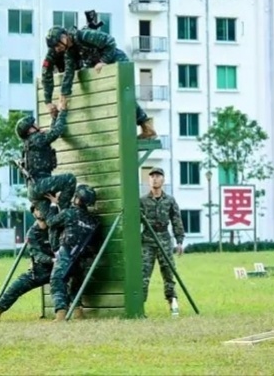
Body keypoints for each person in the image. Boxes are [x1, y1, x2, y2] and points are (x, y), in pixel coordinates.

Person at [43, 25, 157, 140]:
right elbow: (69, 72)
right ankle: (142, 127)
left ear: (64, 38)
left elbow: (110, 41)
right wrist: (64, 95)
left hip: (116, 61)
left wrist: (104, 60)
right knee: (115, 97)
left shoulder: (83, 36)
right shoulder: (70, 51)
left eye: (57, 45)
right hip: (102, 69)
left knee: (124, 95)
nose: (57, 49)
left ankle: (146, 127)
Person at [0, 203, 56, 321]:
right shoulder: (32, 233)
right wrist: (52, 260)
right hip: (39, 271)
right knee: (15, 287)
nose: (41, 212)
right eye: (38, 210)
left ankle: (74, 312)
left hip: (57, 270)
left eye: (44, 209)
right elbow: (37, 255)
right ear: (34, 213)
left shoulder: (55, 228)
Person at [15, 97, 76, 220]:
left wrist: (54, 117)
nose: (37, 124)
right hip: (41, 183)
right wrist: (63, 111)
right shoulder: (36, 138)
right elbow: (57, 131)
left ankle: (58, 227)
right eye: (34, 124)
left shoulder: (30, 142)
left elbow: (50, 134)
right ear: (30, 129)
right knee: (70, 179)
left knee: (51, 220)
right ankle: (64, 210)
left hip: (33, 189)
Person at [46, 184, 100, 321]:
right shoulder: (93, 220)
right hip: (83, 259)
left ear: (76, 198)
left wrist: (53, 205)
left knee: (57, 281)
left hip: (67, 252)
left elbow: (51, 222)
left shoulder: (69, 213)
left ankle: (60, 314)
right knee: (75, 286)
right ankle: (78, 312)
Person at [140, 167, 185, 315]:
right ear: (148, 180)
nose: (155, 178)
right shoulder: (142, 201)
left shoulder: (170, 200)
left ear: (163, 180)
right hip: (147, 240)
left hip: (164, 239)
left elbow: (176, 220)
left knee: (169, 272)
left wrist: (179, 241)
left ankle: (172, 302)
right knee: (144, 274)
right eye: (152, 176)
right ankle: (140, 306)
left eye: (158, 176)